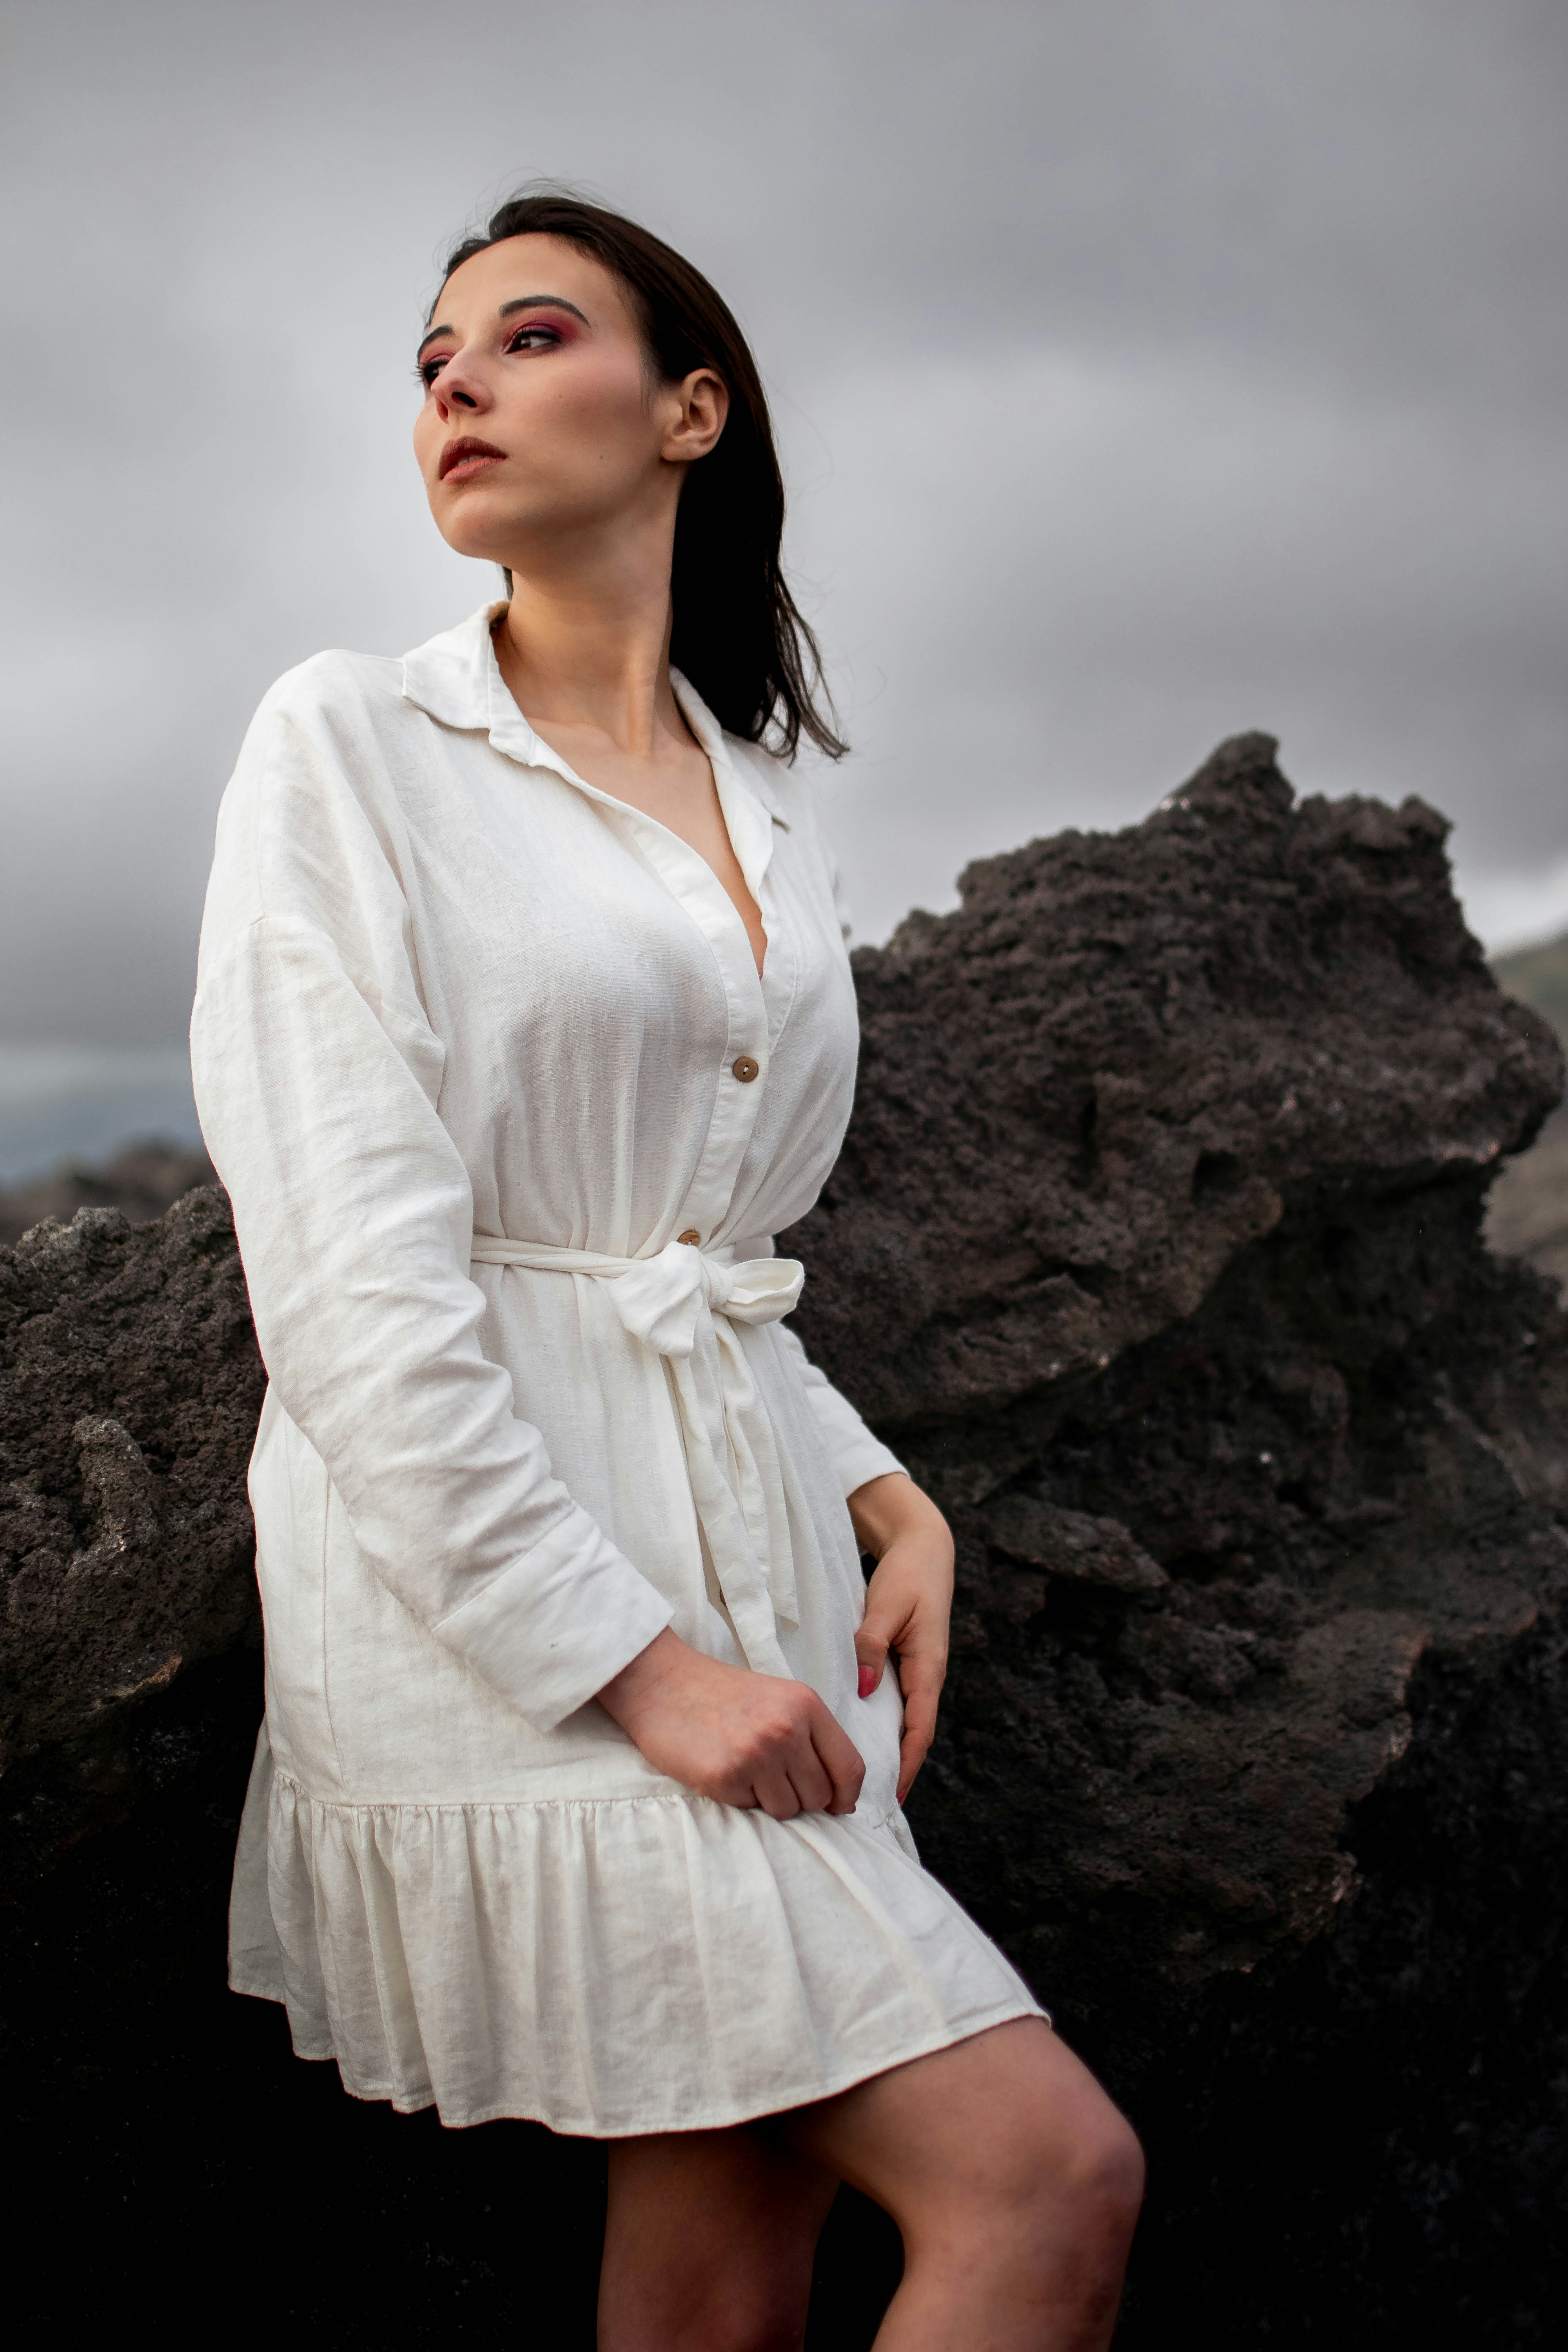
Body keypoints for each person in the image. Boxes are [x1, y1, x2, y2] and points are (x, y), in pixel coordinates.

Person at [191, 188, 1143, 2350]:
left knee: (720, 2272)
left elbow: (707, 1244)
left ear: (689, 407)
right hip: (521, 1618)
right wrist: (638, 1670)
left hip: (759, 1572)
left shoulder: (765, 801)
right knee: (1049, 2176)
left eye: (527, 336)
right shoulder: (349, 743)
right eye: (433, 357)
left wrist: (881, 1484)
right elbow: (348, 1277)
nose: (456, 382)